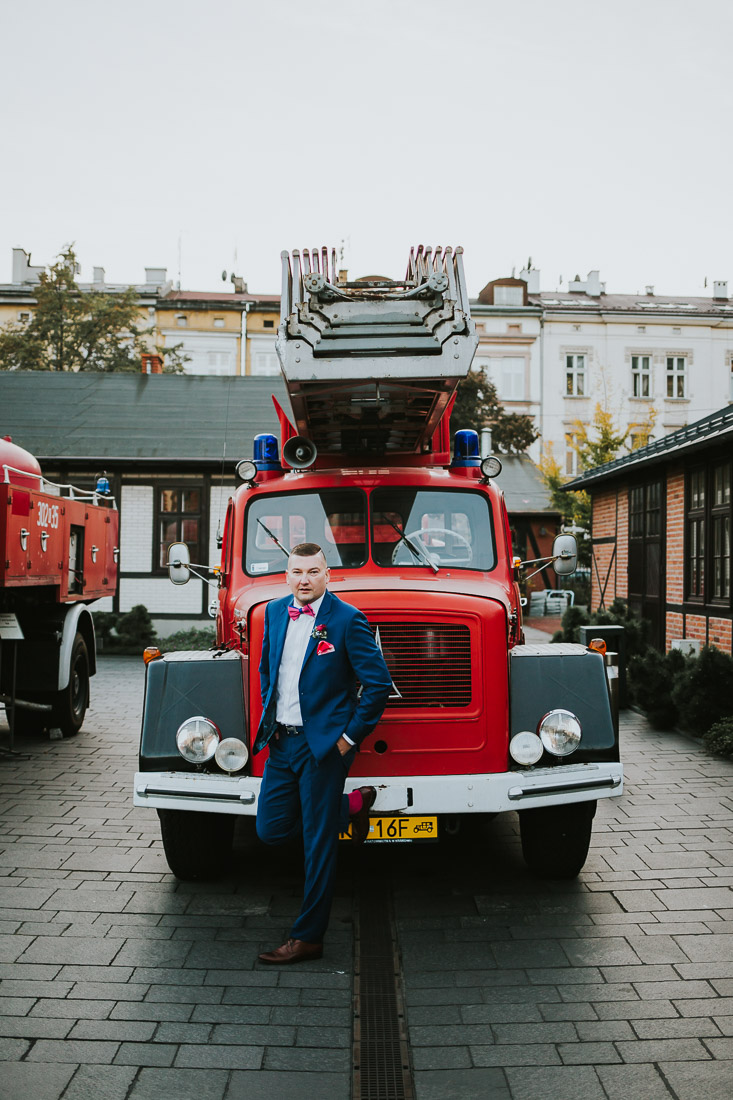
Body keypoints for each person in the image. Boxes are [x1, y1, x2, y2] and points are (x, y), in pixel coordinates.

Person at [254, 542, 392, 964]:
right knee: (270, 829)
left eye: (313, 572)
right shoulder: (275, 613)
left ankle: (308, 936)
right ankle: (350, 805)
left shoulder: (348, 620)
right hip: (282, 743)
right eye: (297, 571)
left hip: (323, 748)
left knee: (318, 845)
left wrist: (347, 740)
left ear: (327, 575)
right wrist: (270, 717)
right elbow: (267, 669)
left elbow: (378, 685)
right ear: (287, 574)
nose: (304, 579)